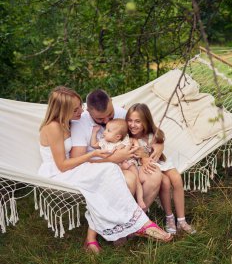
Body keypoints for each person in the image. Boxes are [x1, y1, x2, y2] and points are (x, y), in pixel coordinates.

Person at [38, 87, 173, 254]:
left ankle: (128, 227)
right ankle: (140, 224)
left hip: (83, 167)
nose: (81, 110)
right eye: (76, 109)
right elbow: (62, 165)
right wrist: (95, 154)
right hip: (61, 171)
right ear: (63, 110)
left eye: (80, 105)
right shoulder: (59, 126)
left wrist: (159, 144)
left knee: (114, 173)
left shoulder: (70, 121)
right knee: (109, 173)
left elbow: (148, 131)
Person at [70, 89, 164, 210]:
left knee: (154, 175)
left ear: (111, 101)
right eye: (100, 119)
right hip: (97, 167)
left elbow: (144, 134)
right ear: (88, 111)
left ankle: (137, 219)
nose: (107, 121)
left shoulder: (123, 114)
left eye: (110, 115)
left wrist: (159, 145)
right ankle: (125, 220)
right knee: (127, 181)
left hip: (127, 163)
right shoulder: (80, 124)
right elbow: (77, 161)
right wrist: (113, 159)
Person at [126, 103, 196, 235]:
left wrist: (160, 145)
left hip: (160, 162)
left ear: (146, 121)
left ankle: (182, 220)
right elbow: (139, 157)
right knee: (165, 182)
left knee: (176, 178)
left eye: (137, 121)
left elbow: (160, 141)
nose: (132, 125)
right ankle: (169, 217)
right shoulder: (130, 139)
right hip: (147, 166)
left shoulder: (154, 135)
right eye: (129, 120)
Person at [90, 118, 146, 209]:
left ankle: (140, 199)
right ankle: (124, 203)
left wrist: (136, 146)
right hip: (116, 165)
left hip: (128, 162)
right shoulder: (104, 142)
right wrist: (94, 133)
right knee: (121, 181)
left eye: (108, 131)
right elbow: (93, 145)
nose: (104, 132)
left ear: (118, 137)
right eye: (105, 130)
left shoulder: (123, 142)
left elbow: (133, 141)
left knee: (136, 180)